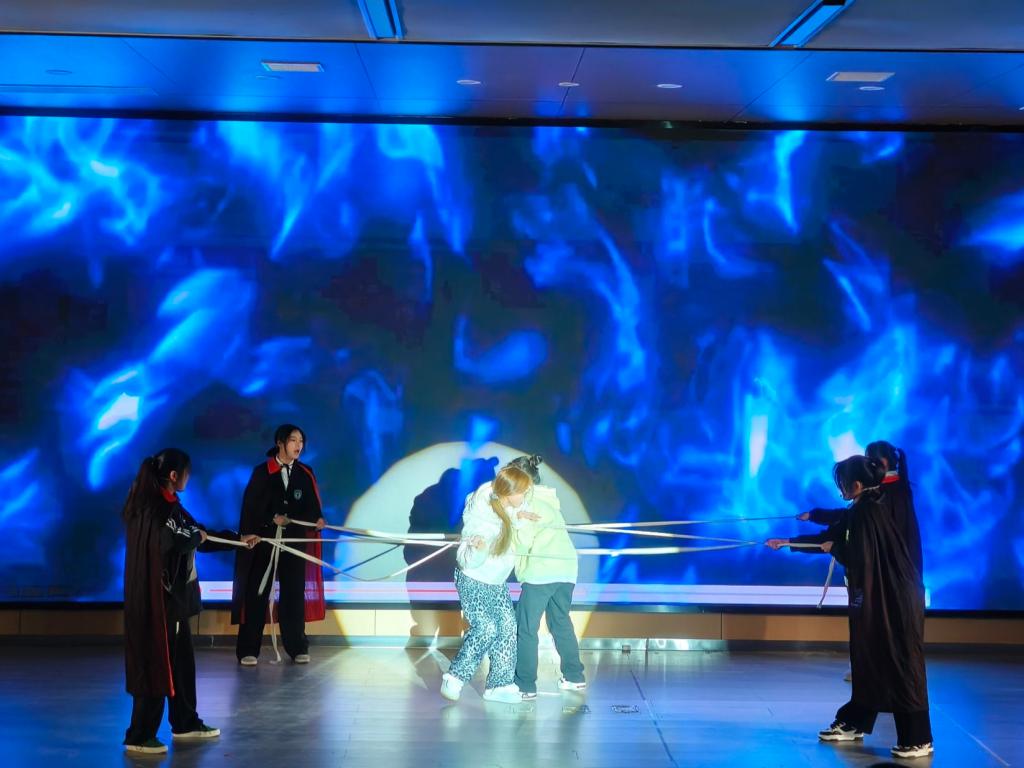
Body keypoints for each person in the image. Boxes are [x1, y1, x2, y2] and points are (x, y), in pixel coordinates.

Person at [768, 455, 933, 759]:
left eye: (843, 483)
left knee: (899, 662)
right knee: (869, 659)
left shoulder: (869, 512)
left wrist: (837, 549)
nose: (841, 489)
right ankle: (855, 720)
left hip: (894, 600)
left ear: (856, 485)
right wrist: (787, 542)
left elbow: (858, 554)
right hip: (876, 598)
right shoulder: (861, 508)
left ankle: (917, 737)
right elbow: (830, 537)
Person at [122, 448, 258, 754]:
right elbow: (181, 540)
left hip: (173, 604)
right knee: (157, 664)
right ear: (174, 475)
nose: (188, 477)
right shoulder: (157, 510)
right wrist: (197, 537)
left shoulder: (168, 506)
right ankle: (139, 735)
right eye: (186, 473)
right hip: (160, 604)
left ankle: (184, 721)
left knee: (181, 664)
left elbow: (196, 533)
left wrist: (238, 540)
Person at [231, 424, 326, 665]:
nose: (298, 445)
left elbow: (312, 508)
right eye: (293, 440)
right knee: (257, 593)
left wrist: (317, 520)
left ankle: (297, 647)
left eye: (301, 441)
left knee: (294, 593)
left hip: (293, 544)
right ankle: (248, 650)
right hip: (264, 543)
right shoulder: (262, 472)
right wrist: (271, 519)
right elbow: (250, 509)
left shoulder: (305, 473)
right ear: (280, 443)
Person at [441, 464, 534, 704]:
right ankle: (454, 677)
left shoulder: (509, 508)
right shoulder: (481, 518)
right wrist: (479, 549)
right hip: (473, 580)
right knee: (486, 628)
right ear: (508, 492)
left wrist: (520, 517)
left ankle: (500, 685)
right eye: (521, 491)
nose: (524, 496)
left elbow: (511, 523)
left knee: (507, 627)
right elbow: (467, 560)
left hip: (496, 581)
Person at [509, 455, 586, 700]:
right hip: (566, 569)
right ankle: (574, 676)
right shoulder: (551, 500)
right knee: (560, 621)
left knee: (526, 627)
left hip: (541, 571)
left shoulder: (527, 505)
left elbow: (524, 542)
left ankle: (524, 684)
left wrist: (514, 528)